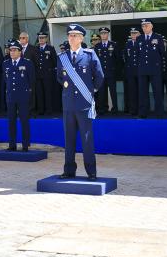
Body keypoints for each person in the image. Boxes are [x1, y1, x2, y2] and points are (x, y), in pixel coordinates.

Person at [56, 23, 104, 181]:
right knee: (68, 140)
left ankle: (91, 172)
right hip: (68, 105)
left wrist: (91, 91)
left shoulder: (89, 55)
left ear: (82, 38)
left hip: (84, 105)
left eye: (75, 35)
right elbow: (60, 78)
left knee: (87, 140)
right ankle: (69, 171)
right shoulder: (62, 58)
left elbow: (99, 76)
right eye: (70, 35)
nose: (71, 37)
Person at [2, 40, 35, 151]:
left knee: (24, 121)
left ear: (20, 52)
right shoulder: (5, 63)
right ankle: (12, 145)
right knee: (11, 121)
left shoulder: (27, 63)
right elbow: (5, 80)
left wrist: (27, 93)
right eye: (10, 50)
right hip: (11, 96)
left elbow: (31, 80)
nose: (12, 52)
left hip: (23, 97)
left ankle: (25, 145)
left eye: (14, 50)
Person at [137, 19, 164, 118]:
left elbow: (162, 53)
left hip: (155, 69)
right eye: (143, 26)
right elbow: (137, 53)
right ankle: (143, 112)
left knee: (157, 91)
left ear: (152, 26)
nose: (145, 27)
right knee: (142, 92)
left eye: (147, 25)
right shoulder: (139, 38)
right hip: (142, 69)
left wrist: (159, 66)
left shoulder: (158, 37)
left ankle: (159, 113)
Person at [94, 27, 119, 115]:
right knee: (102, 92)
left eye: (105, 33)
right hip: (101, 73)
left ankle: (115, 108)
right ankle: (103, 109)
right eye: (102, 33)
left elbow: (117, 59)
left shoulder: (114, 45)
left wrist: (115, 70)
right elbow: (95, 61)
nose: (103, 35)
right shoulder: (97, 46)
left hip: (111, 72)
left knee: (113, 91)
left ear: (108, 34)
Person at [34, 31, 57, 116]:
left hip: (47, 74)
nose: (41, 39)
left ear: (46, 38)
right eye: (40, 38)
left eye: (43, 38)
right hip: (38, 75)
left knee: (48, 92)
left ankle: (48, 110)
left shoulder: (50, 48)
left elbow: (55, 62)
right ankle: (41, 110)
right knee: (39, 93)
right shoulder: (35, 48)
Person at [123, 27, 140, 116]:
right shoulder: (128, 44)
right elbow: (126, 57)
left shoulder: (141, 43)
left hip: (139, 71)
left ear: (139, 34)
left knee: (141, 91)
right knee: (132, 91)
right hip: (130, 71)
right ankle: (133, 110)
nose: (133, 35)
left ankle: (141, 109)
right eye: (132, 33)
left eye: (135, 33)